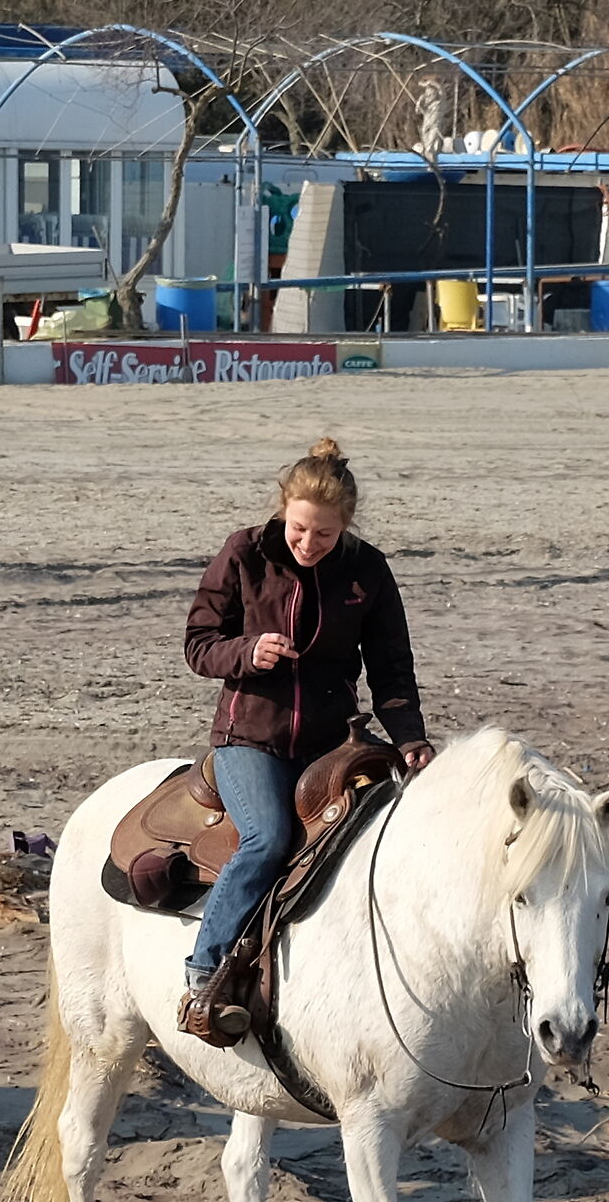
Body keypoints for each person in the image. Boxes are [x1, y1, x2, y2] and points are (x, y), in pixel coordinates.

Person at [179, 437, 433, 1045]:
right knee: (268, 838)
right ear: (282, 510)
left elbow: (392, 668)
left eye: (324, 535)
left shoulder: (368, 571)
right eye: (298, 529)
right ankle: (203, 973)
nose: (308, 544)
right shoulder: (243, 552)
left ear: (345, 527)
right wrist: (248, 651)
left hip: (333, 743)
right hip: (249, 738)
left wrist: (411, 740)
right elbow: (198, 645)